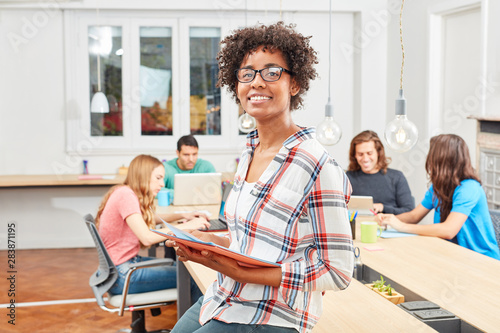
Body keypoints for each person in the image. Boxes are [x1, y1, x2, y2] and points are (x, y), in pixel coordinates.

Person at [168, 22, 354, 333]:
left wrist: (241, 273)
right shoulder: (249, 153)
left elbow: (337, 271)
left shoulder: (318, 165)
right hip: (225, 295)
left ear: (294, 84)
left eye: (271, 72)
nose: (257, 82)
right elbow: (251, 242)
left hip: (274, 313)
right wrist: (207, 244)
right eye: (247, 73)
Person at [95, 154, 211, 296]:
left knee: (180, 268)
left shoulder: (124, 191)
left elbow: (148, 218)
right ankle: (197, 318)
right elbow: (147, 238)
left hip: (118, 270)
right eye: (158, 178)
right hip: (122, 275)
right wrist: (187, 226)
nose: (162, 184)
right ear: (143, 176)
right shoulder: (126, 196)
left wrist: (183, 215)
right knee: (192, 277)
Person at [378, 134, 500, 260]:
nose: (429, 160)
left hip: (483, 260)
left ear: (443, 160)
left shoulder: (469, 188)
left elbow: (448, 230)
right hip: (454, 255)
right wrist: (389, 220)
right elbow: (414, 216)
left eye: (432, 155)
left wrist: (401, 226)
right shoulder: (437, 187)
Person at [346, 130, 414, 214]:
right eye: (360, 154)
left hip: (388, 226)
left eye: (369, 153)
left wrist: (383, 207)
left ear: (378, 153)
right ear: (354, 155)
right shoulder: (348, 178)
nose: (365, 158)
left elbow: (409, 212)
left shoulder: (396, 177)